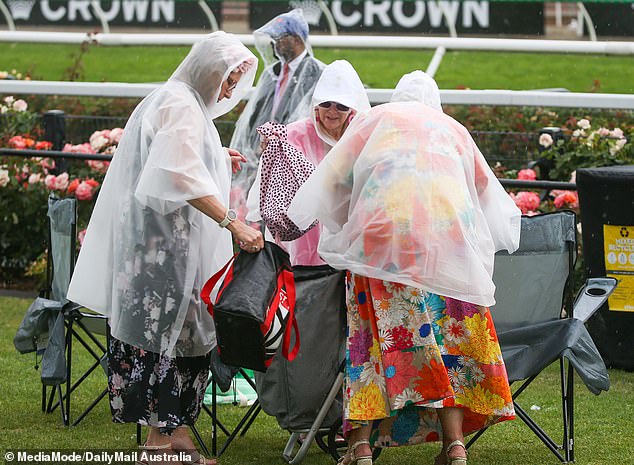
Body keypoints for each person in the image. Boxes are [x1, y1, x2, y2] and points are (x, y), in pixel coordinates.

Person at [288, 71, 521, 465]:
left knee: (367, 345)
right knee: (446, 349)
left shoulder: (373, 121)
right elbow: (486, 195)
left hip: (380, 249)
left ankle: (360, 446)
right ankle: (455, 446)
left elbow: (332, 183)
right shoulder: (453, 130)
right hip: (446, 251)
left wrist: (351, 221)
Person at [67, 32, 264, 465]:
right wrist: (234, 223)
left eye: (236, 81)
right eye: (228, 78)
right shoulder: (180, 105)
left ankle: (173, 439)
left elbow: (171, 158)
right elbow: (175, 177)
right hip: (164, 256)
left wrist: (215, 154)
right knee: (166, 340)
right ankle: (157, 448)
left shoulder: (176, 100)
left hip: (159, 252)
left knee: (177, 337)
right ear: (209, 69)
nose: (230, 89)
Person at [245, 59, 370, 266]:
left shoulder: (360, 136)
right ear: (316, 104)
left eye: (341, 105)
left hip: (345, 235)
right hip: (300, 239)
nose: (332, 111)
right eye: (326, 103)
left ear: (352, 109)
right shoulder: (293, 135)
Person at [230, 8, 325, 220]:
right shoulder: (271, 73)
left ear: (298, 38)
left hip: (293, 156)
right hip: (263, 153)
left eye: (280, 38)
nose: (275, 44)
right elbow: (254, 114)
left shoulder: (317, 72)